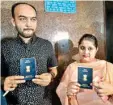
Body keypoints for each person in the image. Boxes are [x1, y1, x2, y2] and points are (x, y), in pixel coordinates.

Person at [1, 2, 57, 105]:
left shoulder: (46, 45)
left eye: (33, 19)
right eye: (22, 19)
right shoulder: (4, 46)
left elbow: (53, 69)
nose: (29, 24)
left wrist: (51, 76)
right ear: (13, 21)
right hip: (13, 102)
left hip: (43, 102)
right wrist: (3, 81)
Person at [56, 34, 113, 105]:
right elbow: (60, 89)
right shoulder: (72, 67)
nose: (86, 52)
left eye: (90, 48)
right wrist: (67, 91)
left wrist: (111, 89)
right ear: (79, 48)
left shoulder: (107, 66)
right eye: (82, 48)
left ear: (96, 49)